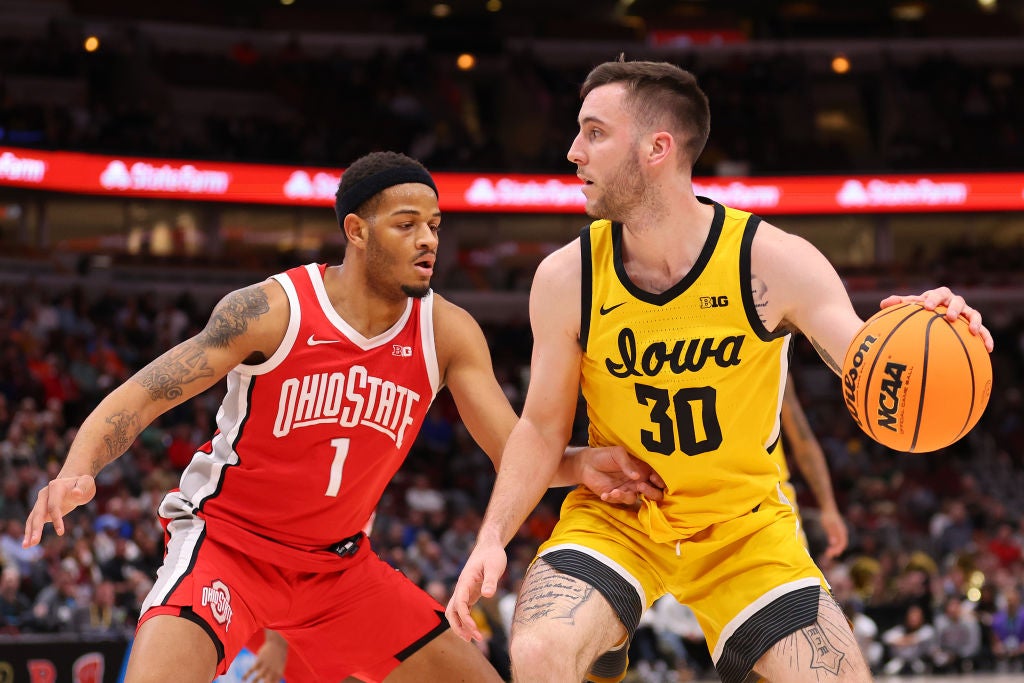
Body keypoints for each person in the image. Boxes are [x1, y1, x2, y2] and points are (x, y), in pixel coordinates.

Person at [446, 59, 993, 683]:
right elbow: (542, 428)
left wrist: (934, 330)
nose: (573, 152)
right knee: (539, 654)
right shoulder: (567, 277)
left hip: (743, 528)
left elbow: (866, 363)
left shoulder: (774, 262)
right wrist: (494, 535)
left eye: (594, 132)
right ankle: (603, 637)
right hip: (620, 516)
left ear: (658, 147)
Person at [22, 151, 663, 683]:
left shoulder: (448, 331)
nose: (428, 241)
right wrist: (77, 470)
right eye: (406, 224)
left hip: (340, 571)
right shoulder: (272, 310)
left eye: (436, 225)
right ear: (355, 230)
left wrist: (583, 464)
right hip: (228, 548)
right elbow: (144, 393)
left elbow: (512, 452)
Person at [777, 373, 847, 560]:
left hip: (772, 511)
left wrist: (829, 508)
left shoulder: (768, 355)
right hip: (701, 515)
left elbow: (803, 439)